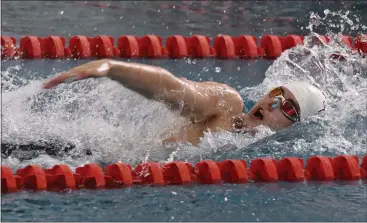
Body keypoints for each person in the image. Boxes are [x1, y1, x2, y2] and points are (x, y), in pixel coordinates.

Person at [42, 59, 327, 145]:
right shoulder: (228, 104)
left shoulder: (257, 149)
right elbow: (173, 89)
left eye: (289, 108)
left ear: (294, 127)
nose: (273, 104)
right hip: (78, 153)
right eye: (277, 94)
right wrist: (114, 69)